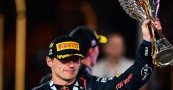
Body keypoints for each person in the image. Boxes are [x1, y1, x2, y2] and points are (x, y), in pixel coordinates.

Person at [33, 19, 162, 90]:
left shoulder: (92, 85)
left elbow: (134, 79)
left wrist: (147, 41)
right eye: (65, 60)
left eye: (75, 60)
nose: (71, 65)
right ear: (49, 61)